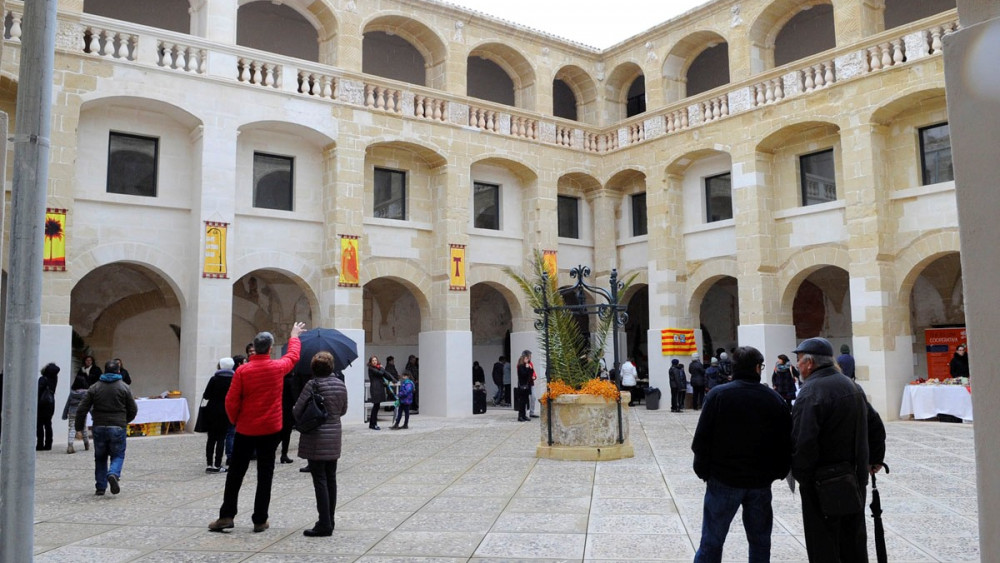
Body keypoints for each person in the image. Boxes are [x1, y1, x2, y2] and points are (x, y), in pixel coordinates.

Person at [691, 346, 792, 562]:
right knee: (760, 541)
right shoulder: (773, 399)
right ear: (757, 368)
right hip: (759, 481)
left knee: (712, 540)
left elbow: (702, 439)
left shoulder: (719, 395)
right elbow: (785, 441)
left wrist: (703, 469)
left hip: (723, 478)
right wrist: (778, 471)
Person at [790, 337, 886, 562]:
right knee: (852, 542)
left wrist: (803, 476)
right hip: (854, 479)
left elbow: (804, 441)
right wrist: (874, 460)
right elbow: (876, 425)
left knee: (824, 544)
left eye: (800, 361)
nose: (798, 366)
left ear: (810, 363)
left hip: (822, 484)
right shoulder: (852, 386)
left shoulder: (810, 392)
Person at [209, 322, 305, 533]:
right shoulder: (277, 367)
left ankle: (226, 515)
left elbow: (231, 401)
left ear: (255, 347)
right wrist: (294, 336)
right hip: (270, 429)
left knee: (235, 474)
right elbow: (293, 356)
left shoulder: (243, 371)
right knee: (265, 474)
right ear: (270, 349)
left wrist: (235, 420)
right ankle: (260, 519)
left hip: (246, 429)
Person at [293, 351, 349, 537]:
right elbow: (343, 410)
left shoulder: (312, 384)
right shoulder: (340, 384)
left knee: (320, 480)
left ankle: (324, 523)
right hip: (334, 436)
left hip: (316, 437)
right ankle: (329, 519)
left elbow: (297, 409)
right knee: (331, 479)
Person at [75, 360, 138, 495]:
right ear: (118, 371)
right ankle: (113, 473)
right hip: (118, 426)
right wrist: (124, 421)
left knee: (100, 457)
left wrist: (79, 426)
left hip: (99, 426)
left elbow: (82, 408)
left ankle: (100, 487)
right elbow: (133, 409)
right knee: (118, 454)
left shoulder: (95, 387)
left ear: (104, 371)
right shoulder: (124, 387)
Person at [202, 358, 236, 473]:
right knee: (221, 438)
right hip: (225, 411)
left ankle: (209, 464)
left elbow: (206, 395)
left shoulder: (214, 379)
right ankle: (217, 465)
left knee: (211, 439)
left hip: (212, 410)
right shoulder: (233, 380)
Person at [62, 367, 92, 454]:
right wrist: (93, 414)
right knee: (83, 428)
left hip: (72, 412)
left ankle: (70, 445)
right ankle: (86, 444)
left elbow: (67, 404)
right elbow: (88, 405)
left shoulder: (72, 393)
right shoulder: (86, 393)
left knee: (72, 428)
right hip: (82, 413)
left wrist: (64, 414)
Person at [366, 355, 395, 430]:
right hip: (375, 390)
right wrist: (382, 368)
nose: (375, 362)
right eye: (373, 361)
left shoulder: (378, 368)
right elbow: (380, 373)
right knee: (375, 407)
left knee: (376, 407)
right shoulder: (371, 369)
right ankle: (373, 424)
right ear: (370, 362)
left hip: (379, 389)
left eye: (375, 360)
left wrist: (393, 379)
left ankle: (372, 423)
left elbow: (385, 374)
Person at [37, 363, 60, 451]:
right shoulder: (54, 379)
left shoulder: (43, 379)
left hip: (41, 404)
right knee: (48, 424)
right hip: (50, 404)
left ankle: (40, 444)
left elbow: (38, 391)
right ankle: (48, 444)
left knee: (39, 425)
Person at [515, 351, 534, 422]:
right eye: (526, 359)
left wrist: (530, 368)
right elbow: (523, 374)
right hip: (522, 387)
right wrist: (527, 368)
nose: (528, 360)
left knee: (526, 401)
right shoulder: (520, 366)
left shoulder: (527, 365)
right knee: (522, 402)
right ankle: (520, 416)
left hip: (527, 386)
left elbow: (530, 374)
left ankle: (524, 415)